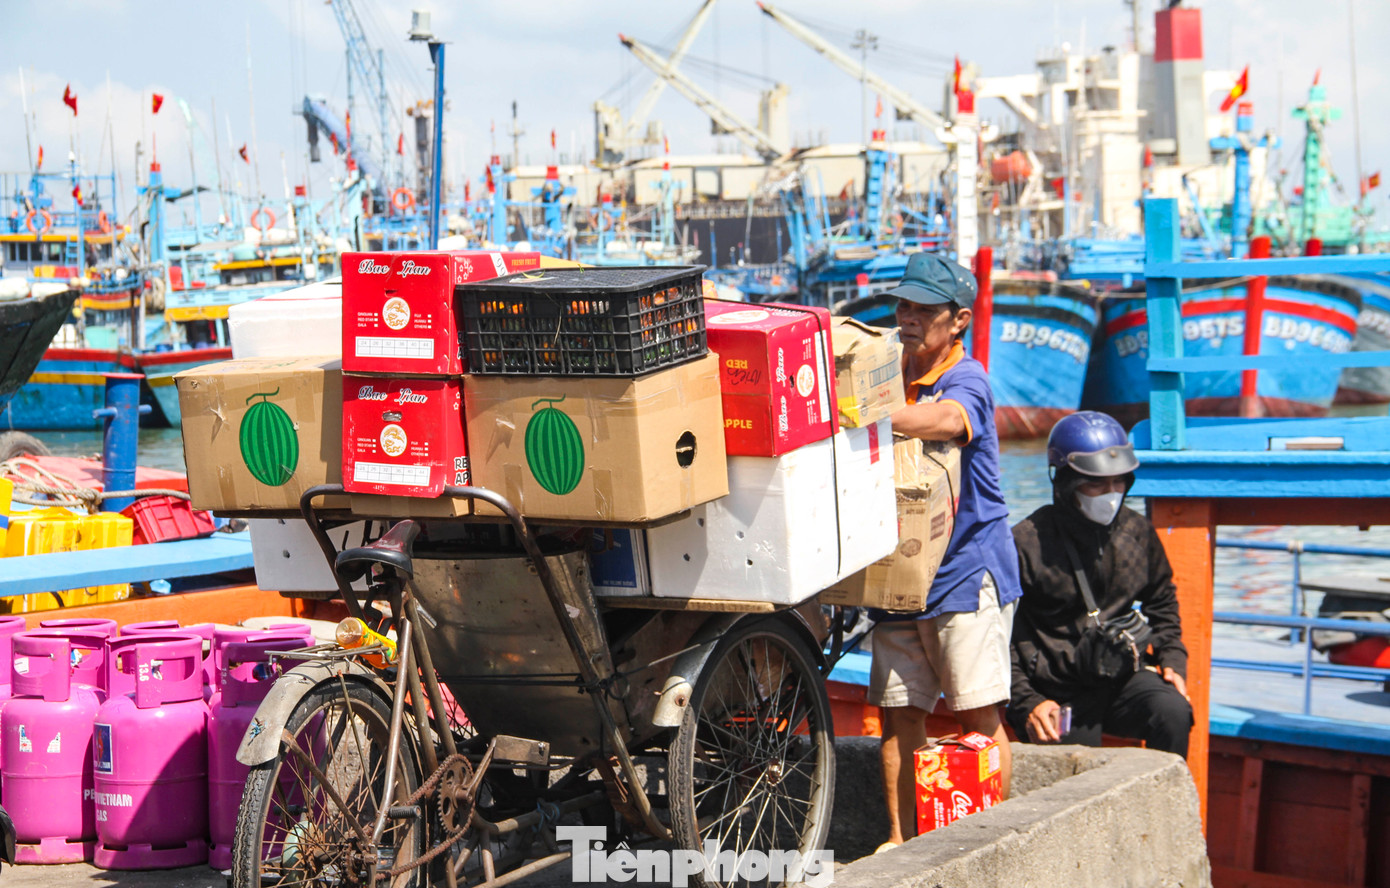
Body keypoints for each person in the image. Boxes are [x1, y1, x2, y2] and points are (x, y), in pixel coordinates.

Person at [871, 252, 1023, 849]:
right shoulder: (888, 369)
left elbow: (945, 421)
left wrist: (870, 414)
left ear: (958, 320)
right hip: (899, 572)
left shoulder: (968, 378)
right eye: (903, 305)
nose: (907, 318)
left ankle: (990, 844)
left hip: (966, 571)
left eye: (924, 310)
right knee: (899, 713)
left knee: (977, 713)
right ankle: (899, 842)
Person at [1007, 411, 1194, 755]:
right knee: (1074, 764)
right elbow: (998, 634)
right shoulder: (1026, 543)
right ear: (1065, 482)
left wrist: (1172, 658)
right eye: (1096, 484)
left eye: (1119, 482)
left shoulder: (1137, 533)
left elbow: (1162, 600)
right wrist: (1025, 700)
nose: (1110, 494)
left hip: (1120, 676)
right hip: (1054, 687)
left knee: (1173, 712)